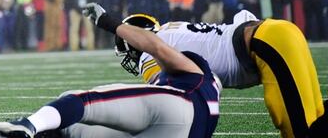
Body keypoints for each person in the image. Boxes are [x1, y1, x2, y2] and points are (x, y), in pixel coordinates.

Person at [0, 2, 222, 138]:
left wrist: (109, 22)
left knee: (82, 102)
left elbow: (157, 46)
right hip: (186, 131)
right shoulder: (209, 85)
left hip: (180, 109)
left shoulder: (185, 60)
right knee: (69, 130)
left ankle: (27, 127)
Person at [119, 9, 327, 138]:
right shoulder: (175, 30)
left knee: (299, 133)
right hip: (282, 31)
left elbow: (166, 103)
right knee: (317, 117)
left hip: (270, 44)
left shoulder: (150, 54)